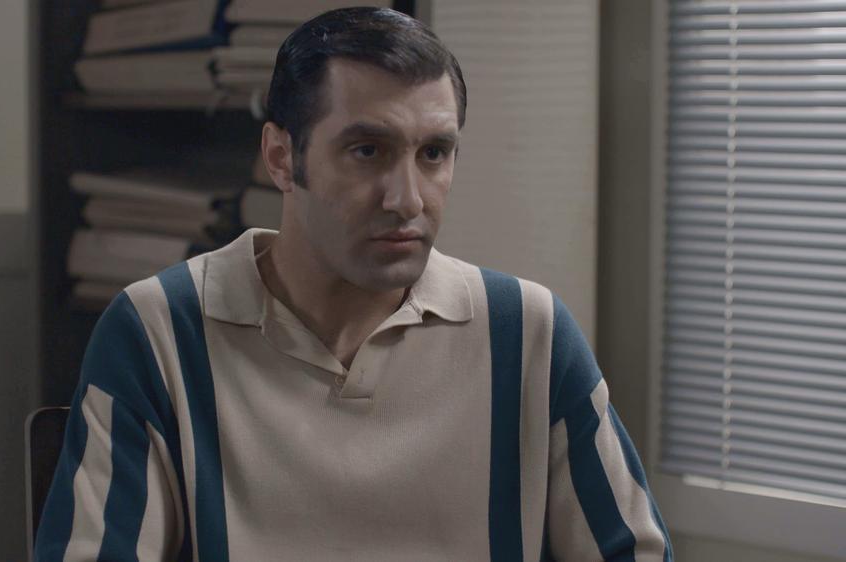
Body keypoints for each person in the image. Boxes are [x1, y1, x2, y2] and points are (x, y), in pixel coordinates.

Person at [33, 7, 673, 561]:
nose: (407, 200)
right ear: (281, 158)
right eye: (367, 151)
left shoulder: (528, 332)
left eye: (434, 153)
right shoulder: (158, 330)